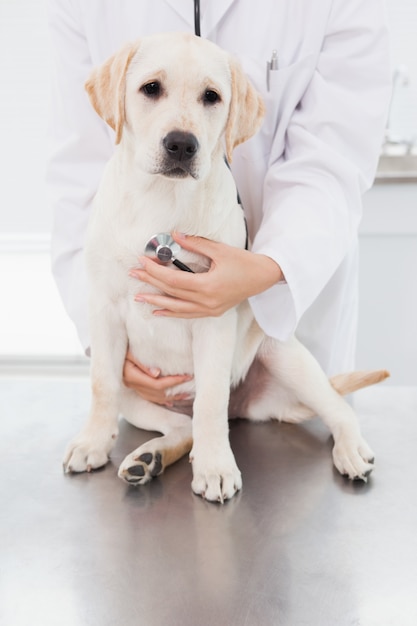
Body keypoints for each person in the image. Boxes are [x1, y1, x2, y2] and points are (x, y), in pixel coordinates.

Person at [46, 0, 391, 407]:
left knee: (298, 448)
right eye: (152, 89)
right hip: (150, 355)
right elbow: (81, 173)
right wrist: (105, 346)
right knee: (169, 441)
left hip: (282, 326)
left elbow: (333, 158)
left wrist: (270, 267)